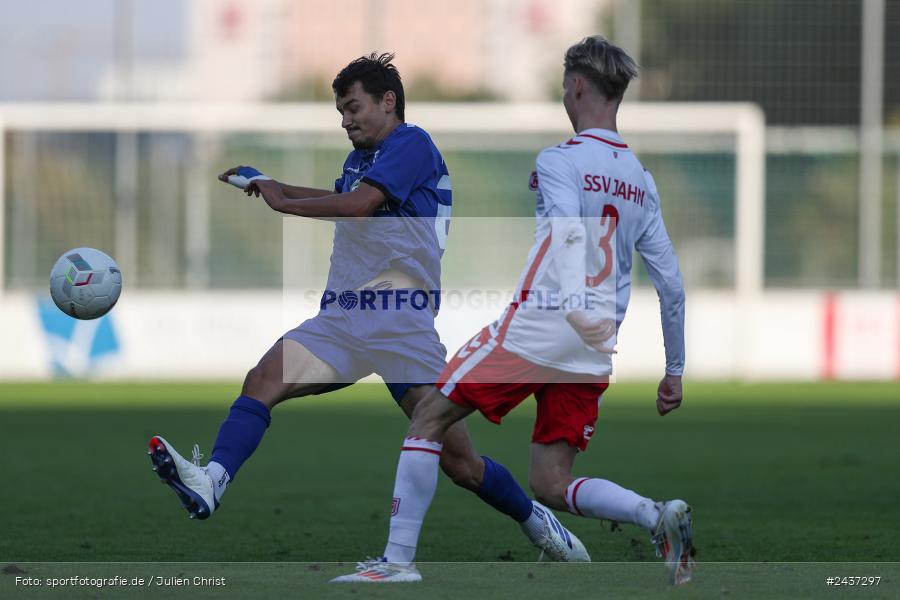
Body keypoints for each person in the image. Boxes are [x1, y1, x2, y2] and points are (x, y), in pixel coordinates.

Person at [147, 52, 588, 564]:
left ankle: (537, 521)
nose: (345, 120)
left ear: (387, 101)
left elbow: (358, 206)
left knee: (462, 465)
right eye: (340, 111)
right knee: (263, 379)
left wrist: (283, 202)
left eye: (353, 108)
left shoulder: (412, 145)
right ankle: (212, 481)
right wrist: (272, 184)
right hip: (344, 319)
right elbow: (342, 199)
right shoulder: (361, 161)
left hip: (401, 322)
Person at [333, 37, 694, 585]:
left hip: (543, 323)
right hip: (596, 342)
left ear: (576, 87)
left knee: (429, 417)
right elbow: (671, 283)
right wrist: (675, 369)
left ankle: (397, 563)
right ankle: (655, 514)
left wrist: (573, 309)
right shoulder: (642, 182)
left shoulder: (560, 160)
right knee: (552, 483)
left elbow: (567, 236)